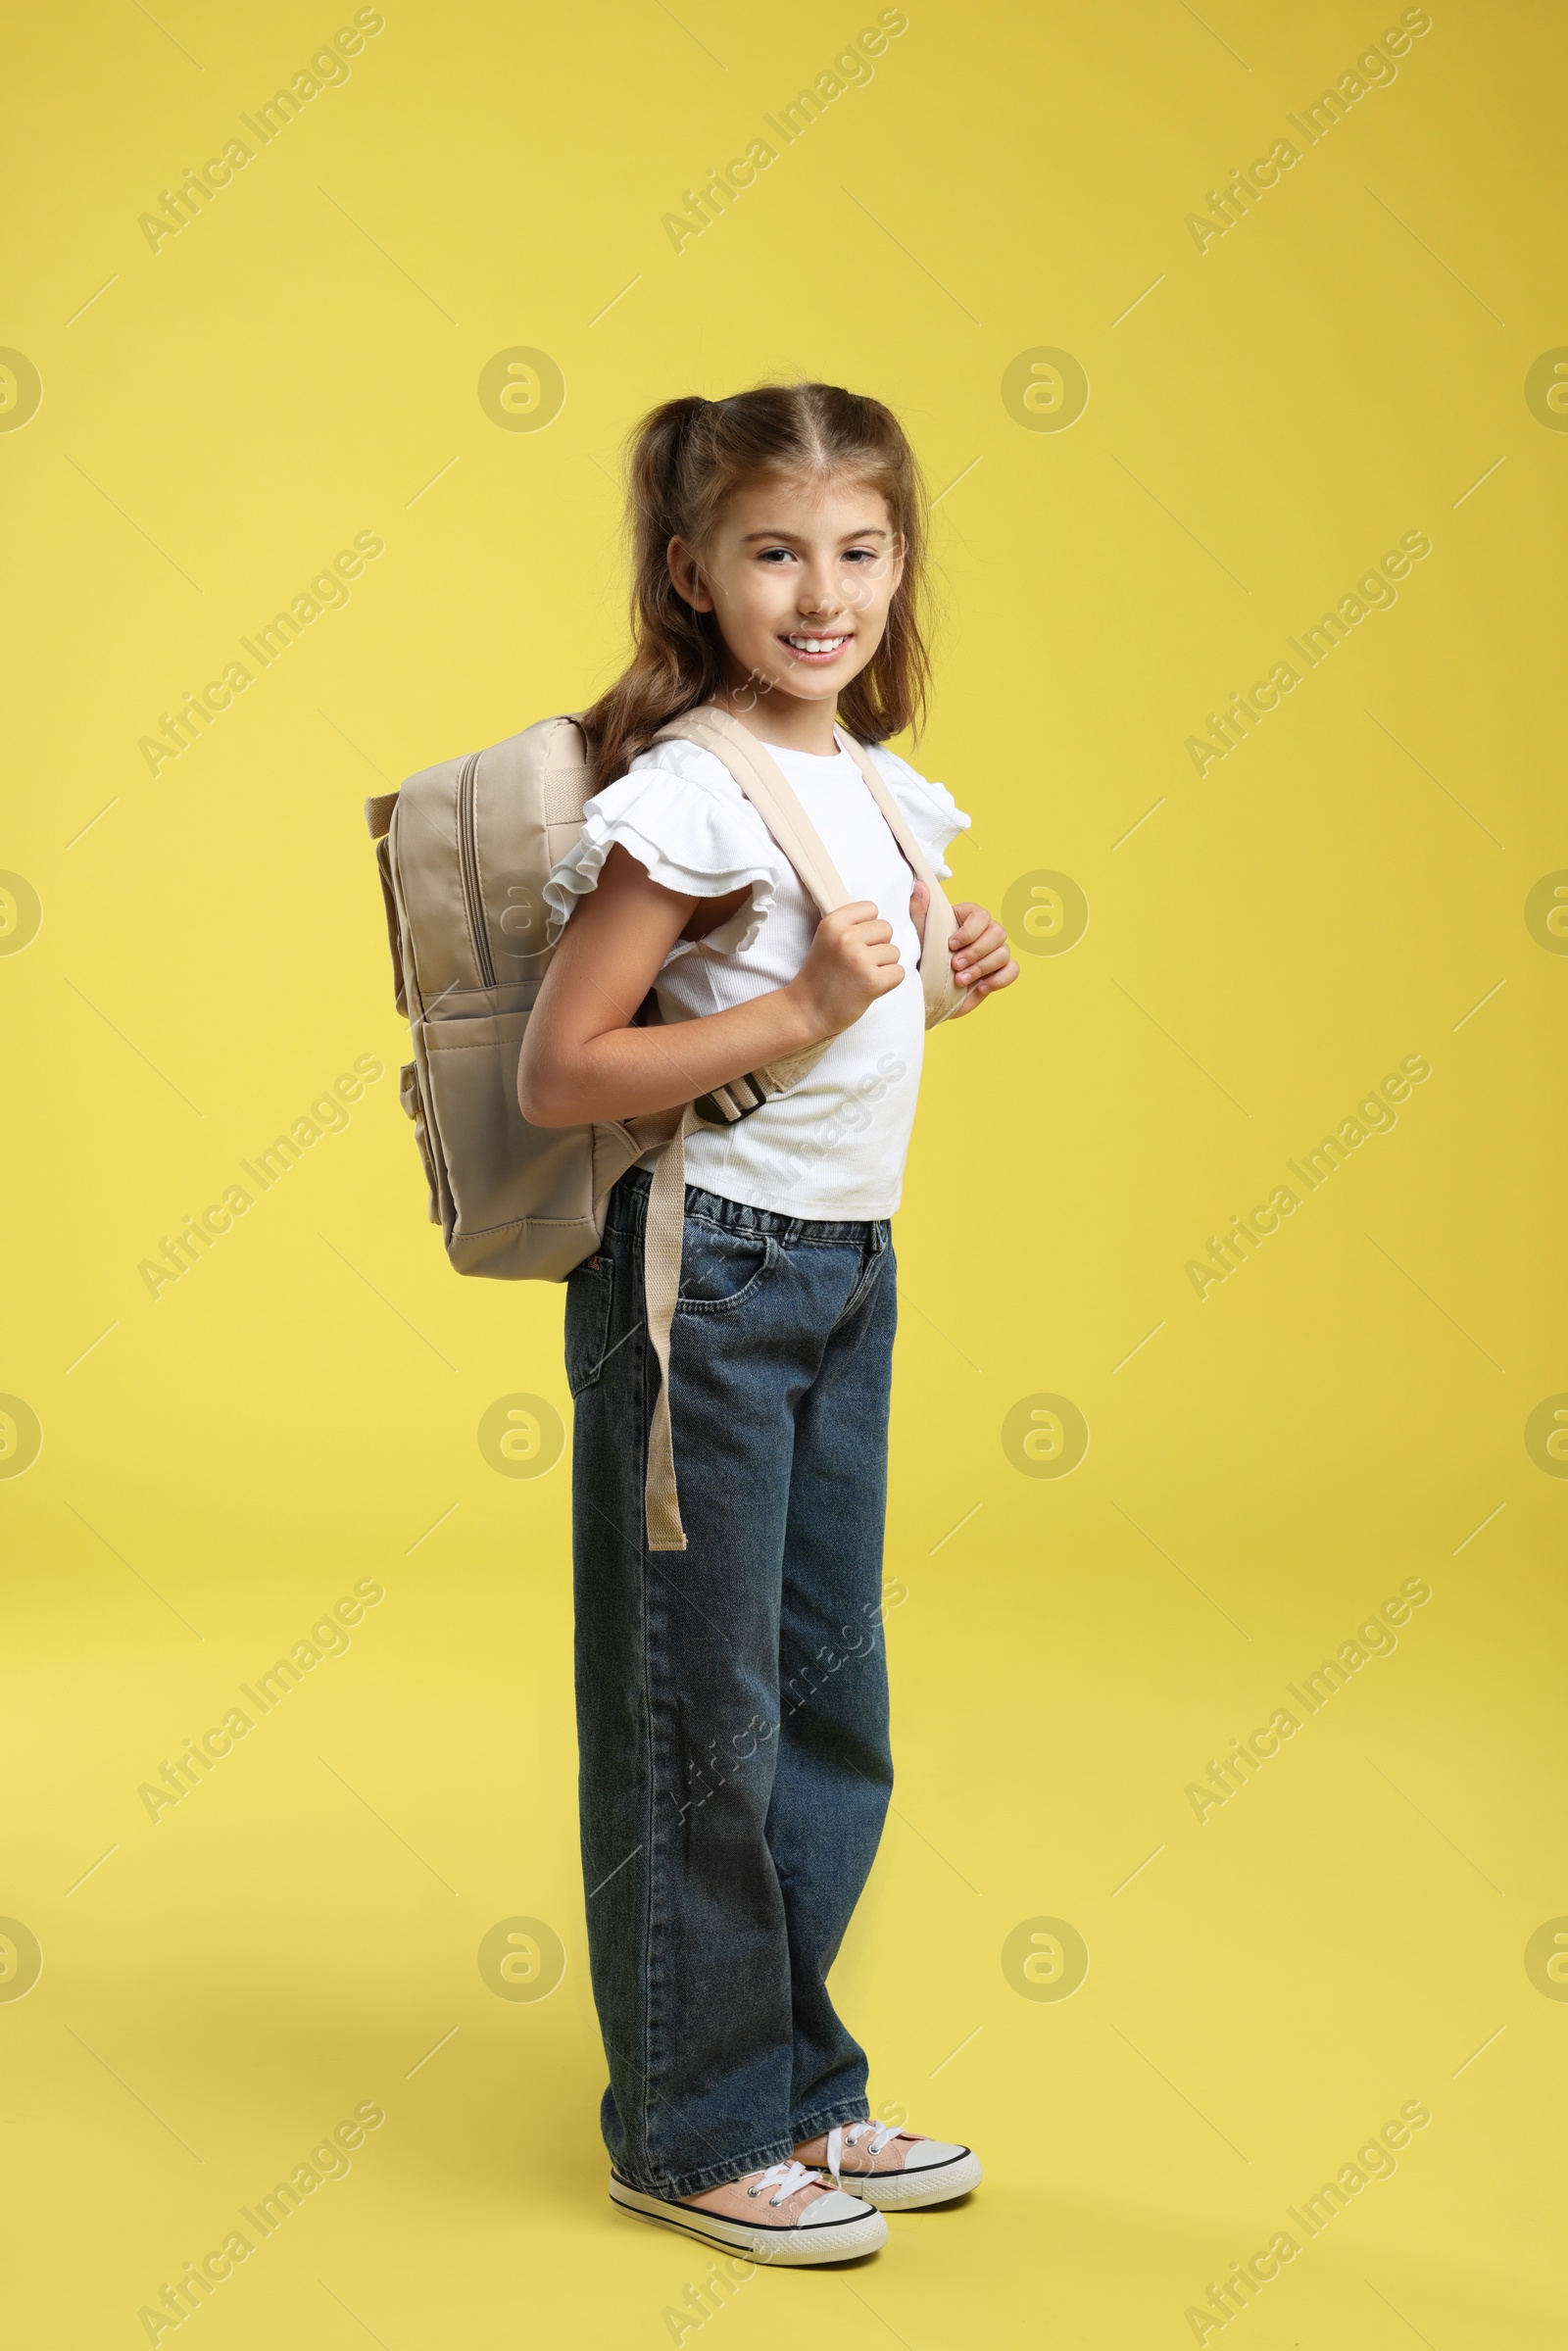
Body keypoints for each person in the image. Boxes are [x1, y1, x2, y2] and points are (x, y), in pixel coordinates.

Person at [518, 382, 1018, 2264]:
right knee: (697, 1719)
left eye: (861, 550)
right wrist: (804, 1007)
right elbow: (571, 1071)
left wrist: (934, 980)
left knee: (826, 1704)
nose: (825, 592)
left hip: (842, 1271)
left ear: (901, 565)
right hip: (700, 1282)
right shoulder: (690, 794)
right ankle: (695, 2121)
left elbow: (840, 1013)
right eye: (776, 552)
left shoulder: (874, 783)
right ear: (694, 572)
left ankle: (798, 2089)